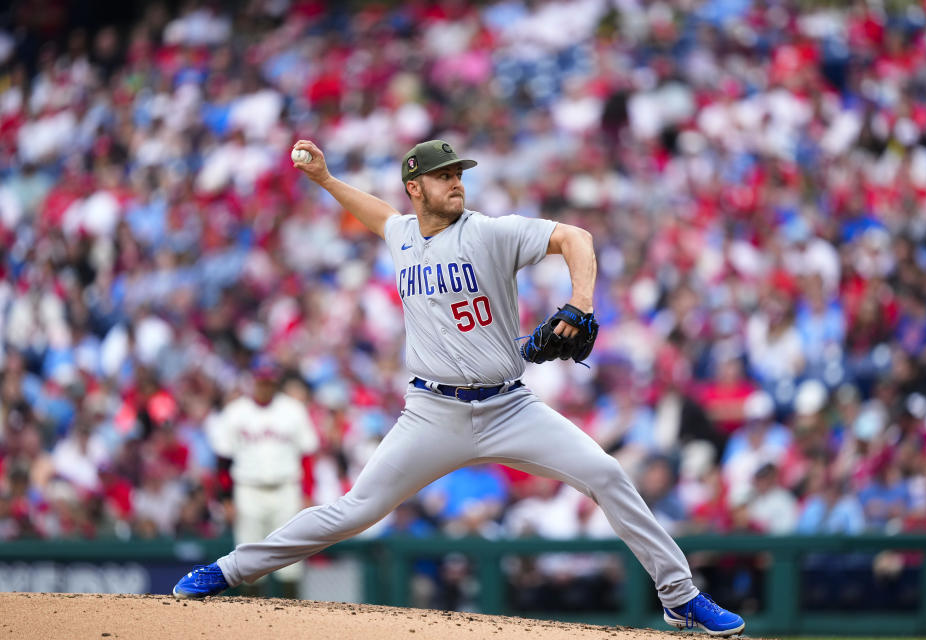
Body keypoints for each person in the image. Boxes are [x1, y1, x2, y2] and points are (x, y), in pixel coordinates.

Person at [173, 139, 745, 635]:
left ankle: (680, 598)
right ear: (415, 187)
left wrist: (580, 302)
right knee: (353, 510)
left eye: (459, 174)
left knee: (608, 474)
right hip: (431, 413)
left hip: (508, 406)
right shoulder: (401, 233)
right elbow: (376, 214)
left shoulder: (491, 234)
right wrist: (323, 179)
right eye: (444, 176)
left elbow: (576, 237)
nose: (456, 183)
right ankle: (226, 571)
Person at [205, 358, 318, 597]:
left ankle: (292, 620)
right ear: (253, 381)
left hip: (286, 488)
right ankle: (252, 622)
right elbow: (223, 461)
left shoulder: (293, 409)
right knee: (249, 558)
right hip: (248, 490)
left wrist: (307, 492)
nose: (265, 386)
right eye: (261, 381)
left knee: (291, 562)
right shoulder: (235, 412)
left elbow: (307, 456)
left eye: (270, 381)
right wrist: (226, 498)